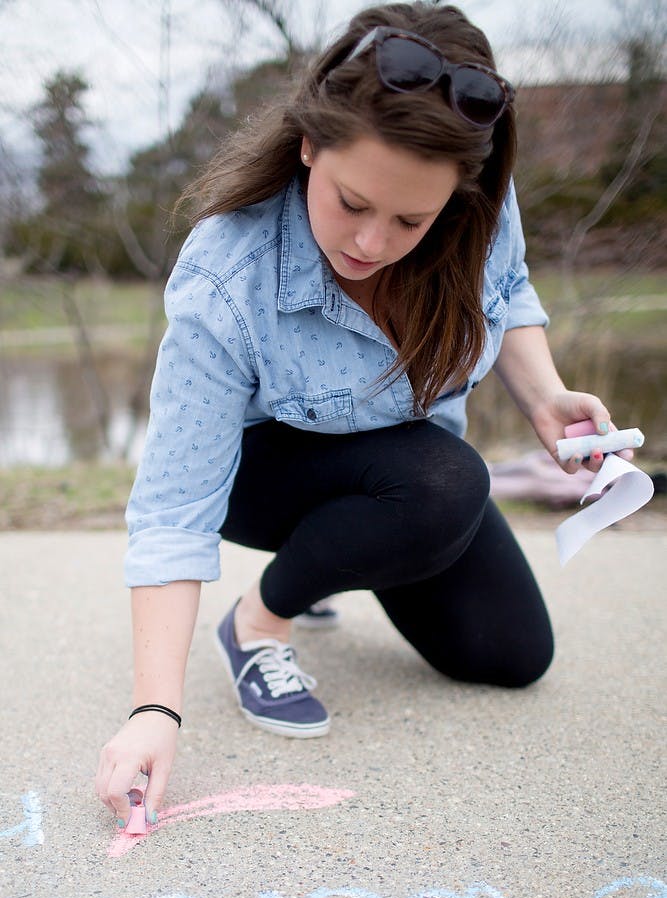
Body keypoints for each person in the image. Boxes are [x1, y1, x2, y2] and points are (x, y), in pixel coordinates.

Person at [96, 1, 631, 828]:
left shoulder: (473, 197)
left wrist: (543, 394)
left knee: (511, 655)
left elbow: (509, 287)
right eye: (350, 201)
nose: (372, 243)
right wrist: (153, 711)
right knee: (446, 482)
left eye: (410, 220)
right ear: (308, 142)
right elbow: (172, 510)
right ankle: (258, 622)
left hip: (398, 467)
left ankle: (337, 556)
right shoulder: (224, 276)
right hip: (267, 470)